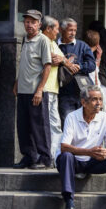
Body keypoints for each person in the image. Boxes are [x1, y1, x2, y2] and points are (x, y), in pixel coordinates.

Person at [13, 10, 52, 170]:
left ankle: (44, 158)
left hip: (36, 91)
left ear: (39, 24)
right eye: (27, 21)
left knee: (39, 126)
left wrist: (40, 90)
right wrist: (16, 82)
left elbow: (47, 66)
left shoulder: (43, 40)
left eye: (32, 22)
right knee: (23, 126)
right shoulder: (25, 39)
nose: (29, 25)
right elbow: (25, 65)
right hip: (22, 90)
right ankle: (29, 156)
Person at [41, 15, 70, 164]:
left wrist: (63, 60)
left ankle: (55, 157)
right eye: (56, 29)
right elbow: (50, 59)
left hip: (53, 89)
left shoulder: (52, 42)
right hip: (44, 89)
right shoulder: (42, 40)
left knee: (55, 124)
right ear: (48, 29)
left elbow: (63, 58)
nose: (58, 32)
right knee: (47, 125)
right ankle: (49, 157)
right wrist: (61, 60)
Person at [57, 18, 96, 126]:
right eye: (70, 30)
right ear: (61, 30)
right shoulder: (55, 46)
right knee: (68, 125)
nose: (73, 33)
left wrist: (80, 67)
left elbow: (92, 65)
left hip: (83, 93)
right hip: (64, 94)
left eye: (75, 30)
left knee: (85, 123)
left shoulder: (82, 46)